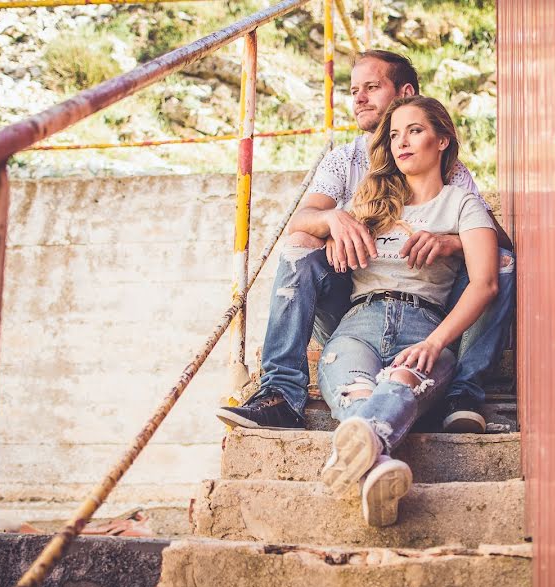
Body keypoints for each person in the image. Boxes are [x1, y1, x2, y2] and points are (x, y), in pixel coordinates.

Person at [216, 50, 515, 434]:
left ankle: (463, 391)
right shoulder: (346, 164)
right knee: (303, 243)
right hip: (354, 300)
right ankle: (281, 392)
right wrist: (333, 220)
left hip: (430, 306)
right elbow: (299, 223)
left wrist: (449, 243)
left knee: (501, 261)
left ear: (405, 93)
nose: (358, 98)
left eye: (371, 87)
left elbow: (496, 245)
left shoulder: (454, 181)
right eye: (354, 89)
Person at [317, 95, 498, 526]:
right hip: (357, 325)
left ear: (442, 140)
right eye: (395, 134)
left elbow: (487, 281)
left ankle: (364, 464)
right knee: (358, 392)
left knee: (400, 382)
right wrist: (333, 225)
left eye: (415, 131)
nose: (402, 142)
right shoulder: (371, 203)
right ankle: (378, 467)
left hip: (425, 327)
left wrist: (436, 343)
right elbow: (299, 224)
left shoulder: (461, 204)